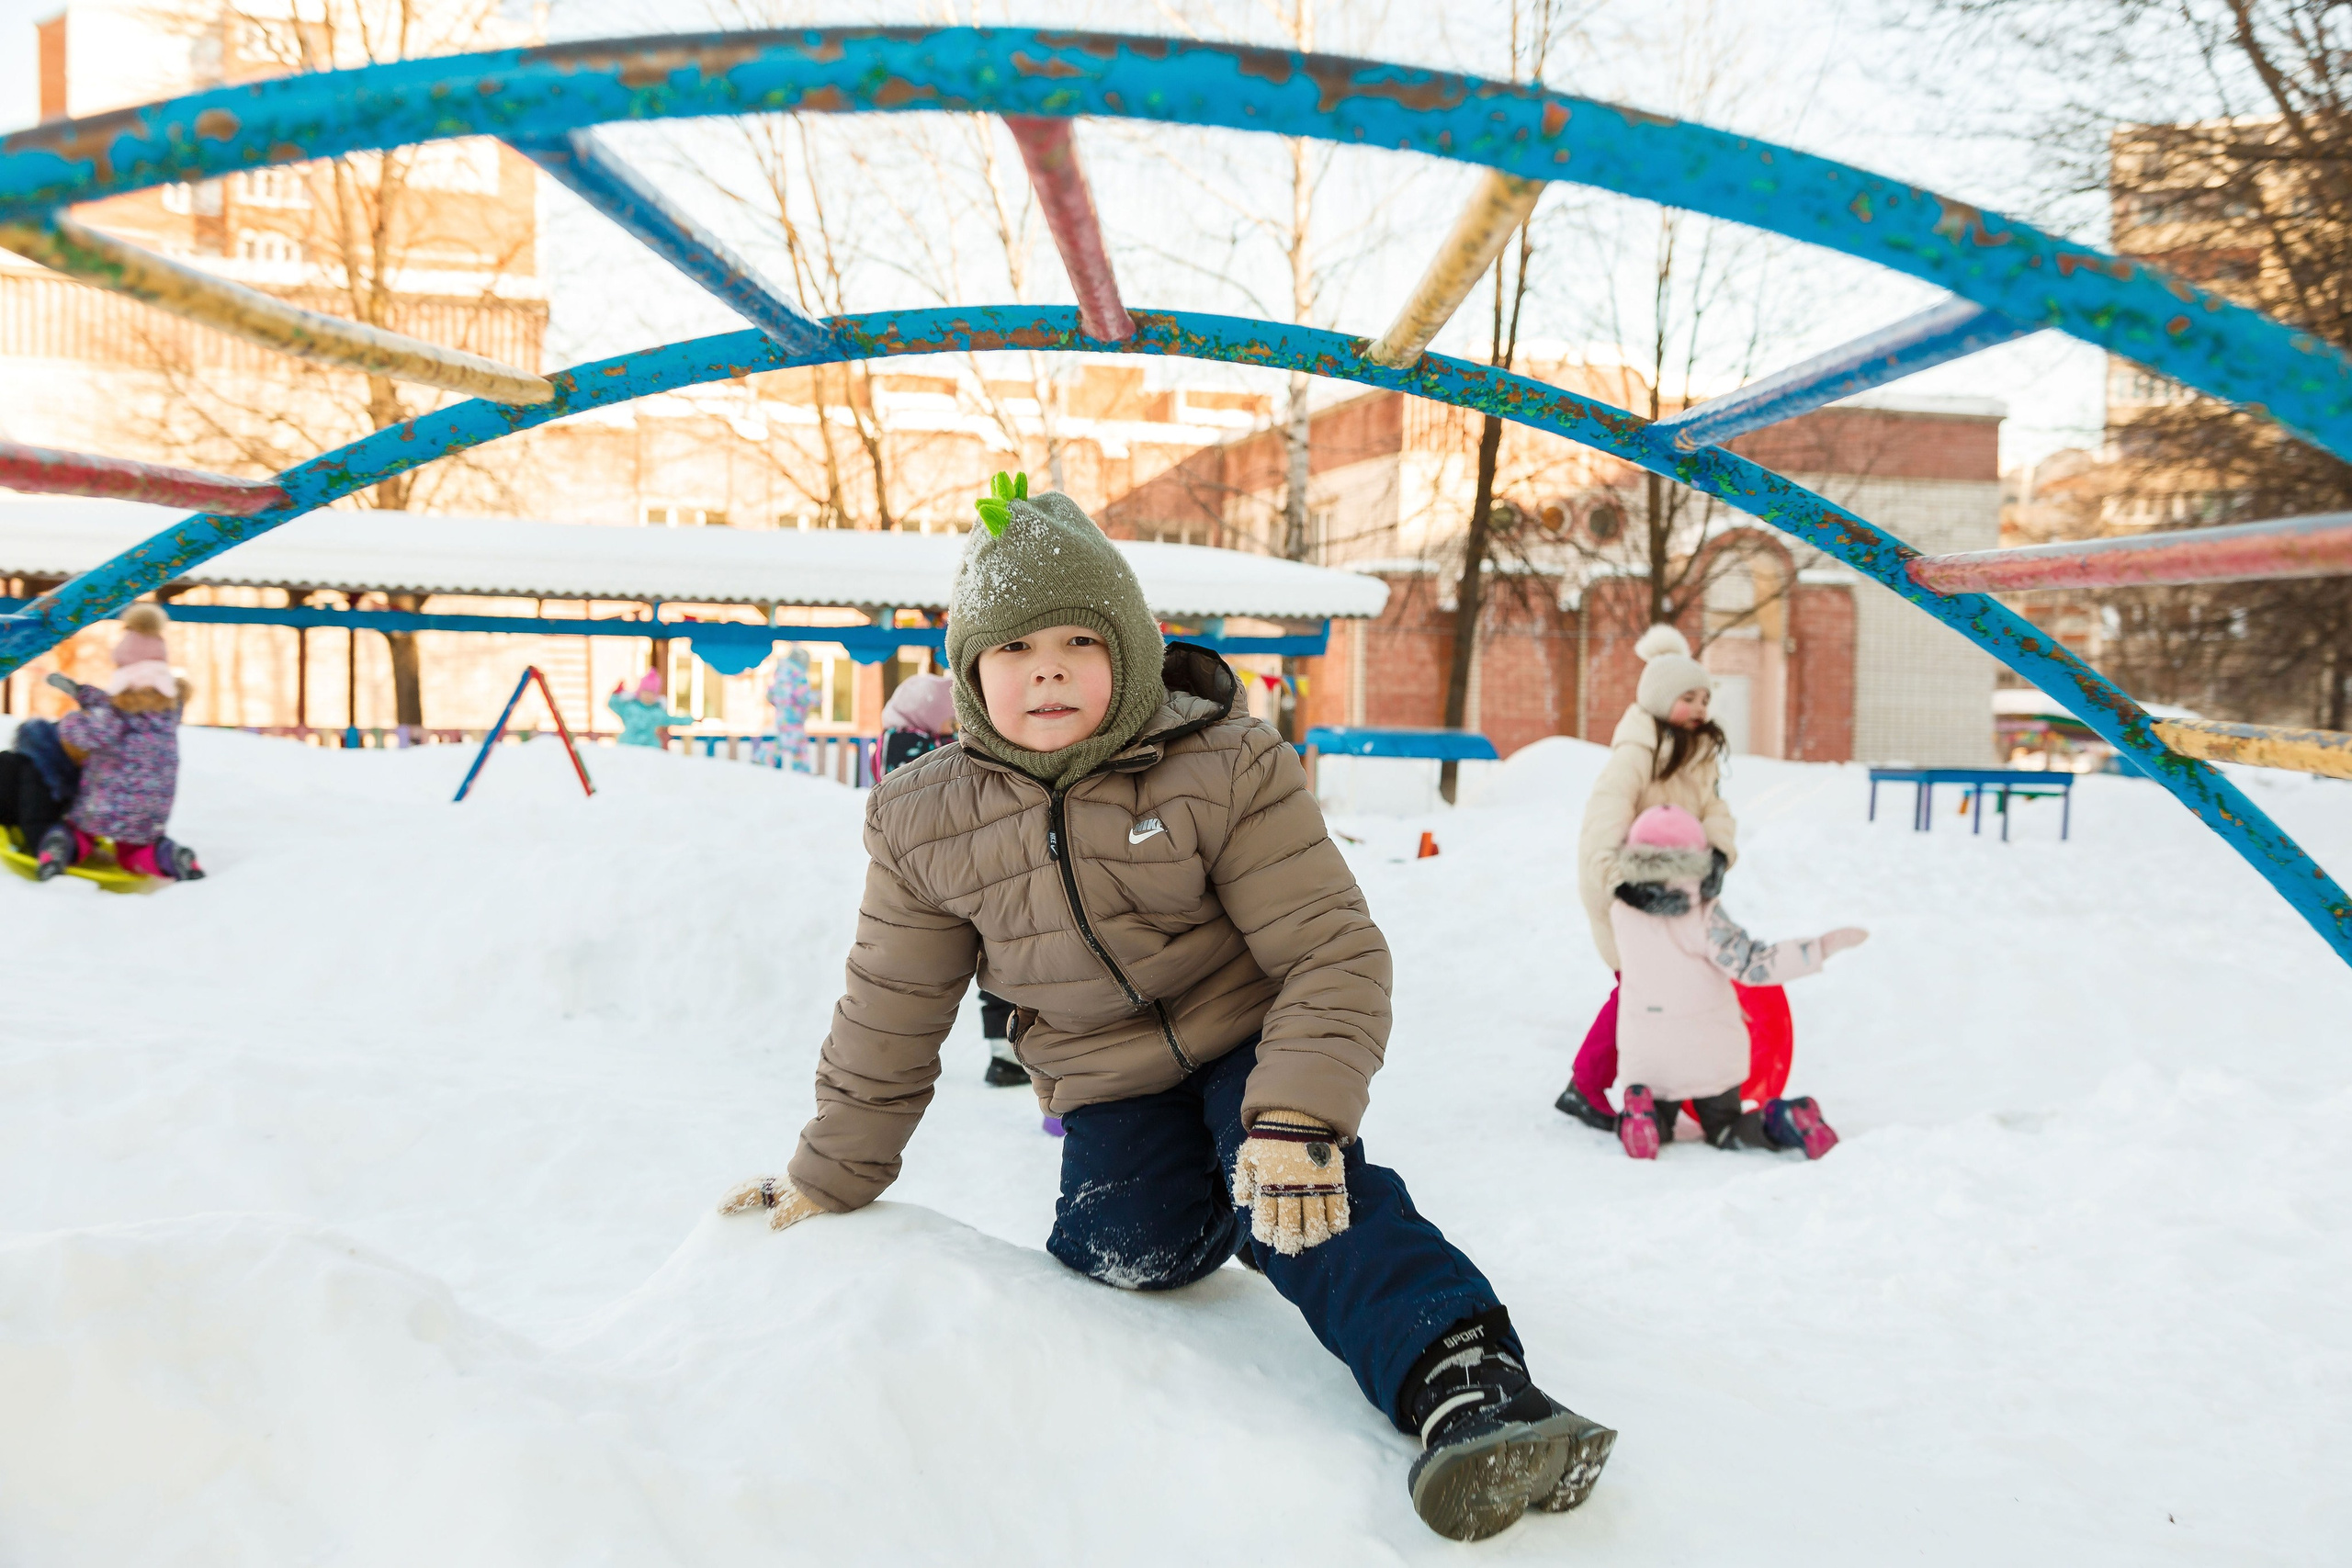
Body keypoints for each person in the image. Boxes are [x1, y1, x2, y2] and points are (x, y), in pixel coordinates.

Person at [718, 484, 1613, 1542]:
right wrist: (831, 1171)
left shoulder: (1225, 764)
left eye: (1076, 642)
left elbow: (1331, 948)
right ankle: (1218, 1207)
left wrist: (1295, 1120)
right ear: (968, 673)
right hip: (1104, 1076)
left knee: (1293, 1199)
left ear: (1132, 654)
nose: (1044, 668)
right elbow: (890, 1004)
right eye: (1012, 650)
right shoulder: (927, 819)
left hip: (1249, 1039)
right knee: (1118, 1250)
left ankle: (1463, 1377)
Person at [1555, 623, 1741, 1130]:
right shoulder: (1635, 753)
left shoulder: (1697, 755)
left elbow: (1714, 812)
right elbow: (1603, 822)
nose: (1701, 708)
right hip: (1623, 890)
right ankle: (1585, 1087)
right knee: (1637, 988)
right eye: (1688, 697)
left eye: (1705, 698)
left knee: (1661, 988)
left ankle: (1666, 1084)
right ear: (1660, 700)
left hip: (1677, 891)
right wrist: (1622, 885)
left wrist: (1719, 855)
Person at [1602, 805, 1862, 1159]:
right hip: (1710, 1052)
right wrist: (1817, 949)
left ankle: (1642, 1115)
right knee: (1725, 1126)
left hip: (1648, 1056)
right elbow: (1752, 965)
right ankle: (1784, 1119)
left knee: (1658, 1116)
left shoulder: (1620, 912)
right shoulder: (1705, 916)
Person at [874, 671, 1027, 1089]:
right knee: (990, 965)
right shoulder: (917, 749)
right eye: (949, 715)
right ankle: (1003, 1058)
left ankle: (1004, 1058)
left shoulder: (898, 740)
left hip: (939, 871)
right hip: (951, 872)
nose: (954, 724)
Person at [17, 604, 204, 881]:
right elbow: (118, 707)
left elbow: (88, 733)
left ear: (124, 673)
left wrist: (69, 720)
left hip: (105, 802)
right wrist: (83, 693)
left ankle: (58, 850)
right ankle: (171, 858)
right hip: (153, 805)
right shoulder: (168, 708)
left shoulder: (114, 714)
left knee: (78, 833)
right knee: (135, 850)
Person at [765, 645, 819, 773]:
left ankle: (801, 769)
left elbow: (770, 695)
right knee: (792, 742)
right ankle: (763, 758)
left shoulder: (781, 673)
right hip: (794, 716)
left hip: (782, 715)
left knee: (788, 740)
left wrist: (781, 704)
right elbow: (801, 696)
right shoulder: (798, 674)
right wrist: (816, 698)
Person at [607, 670, 688, 749]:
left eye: (651, 693)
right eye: (645, 692)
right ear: (639, 692)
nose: (648, 696)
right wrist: (616, 694)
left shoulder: (657, 712)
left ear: (655, 696)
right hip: (628, 744)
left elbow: (672, 719)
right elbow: (613, 705)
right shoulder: (630, 707)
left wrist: (691, 719)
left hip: (649, 745)